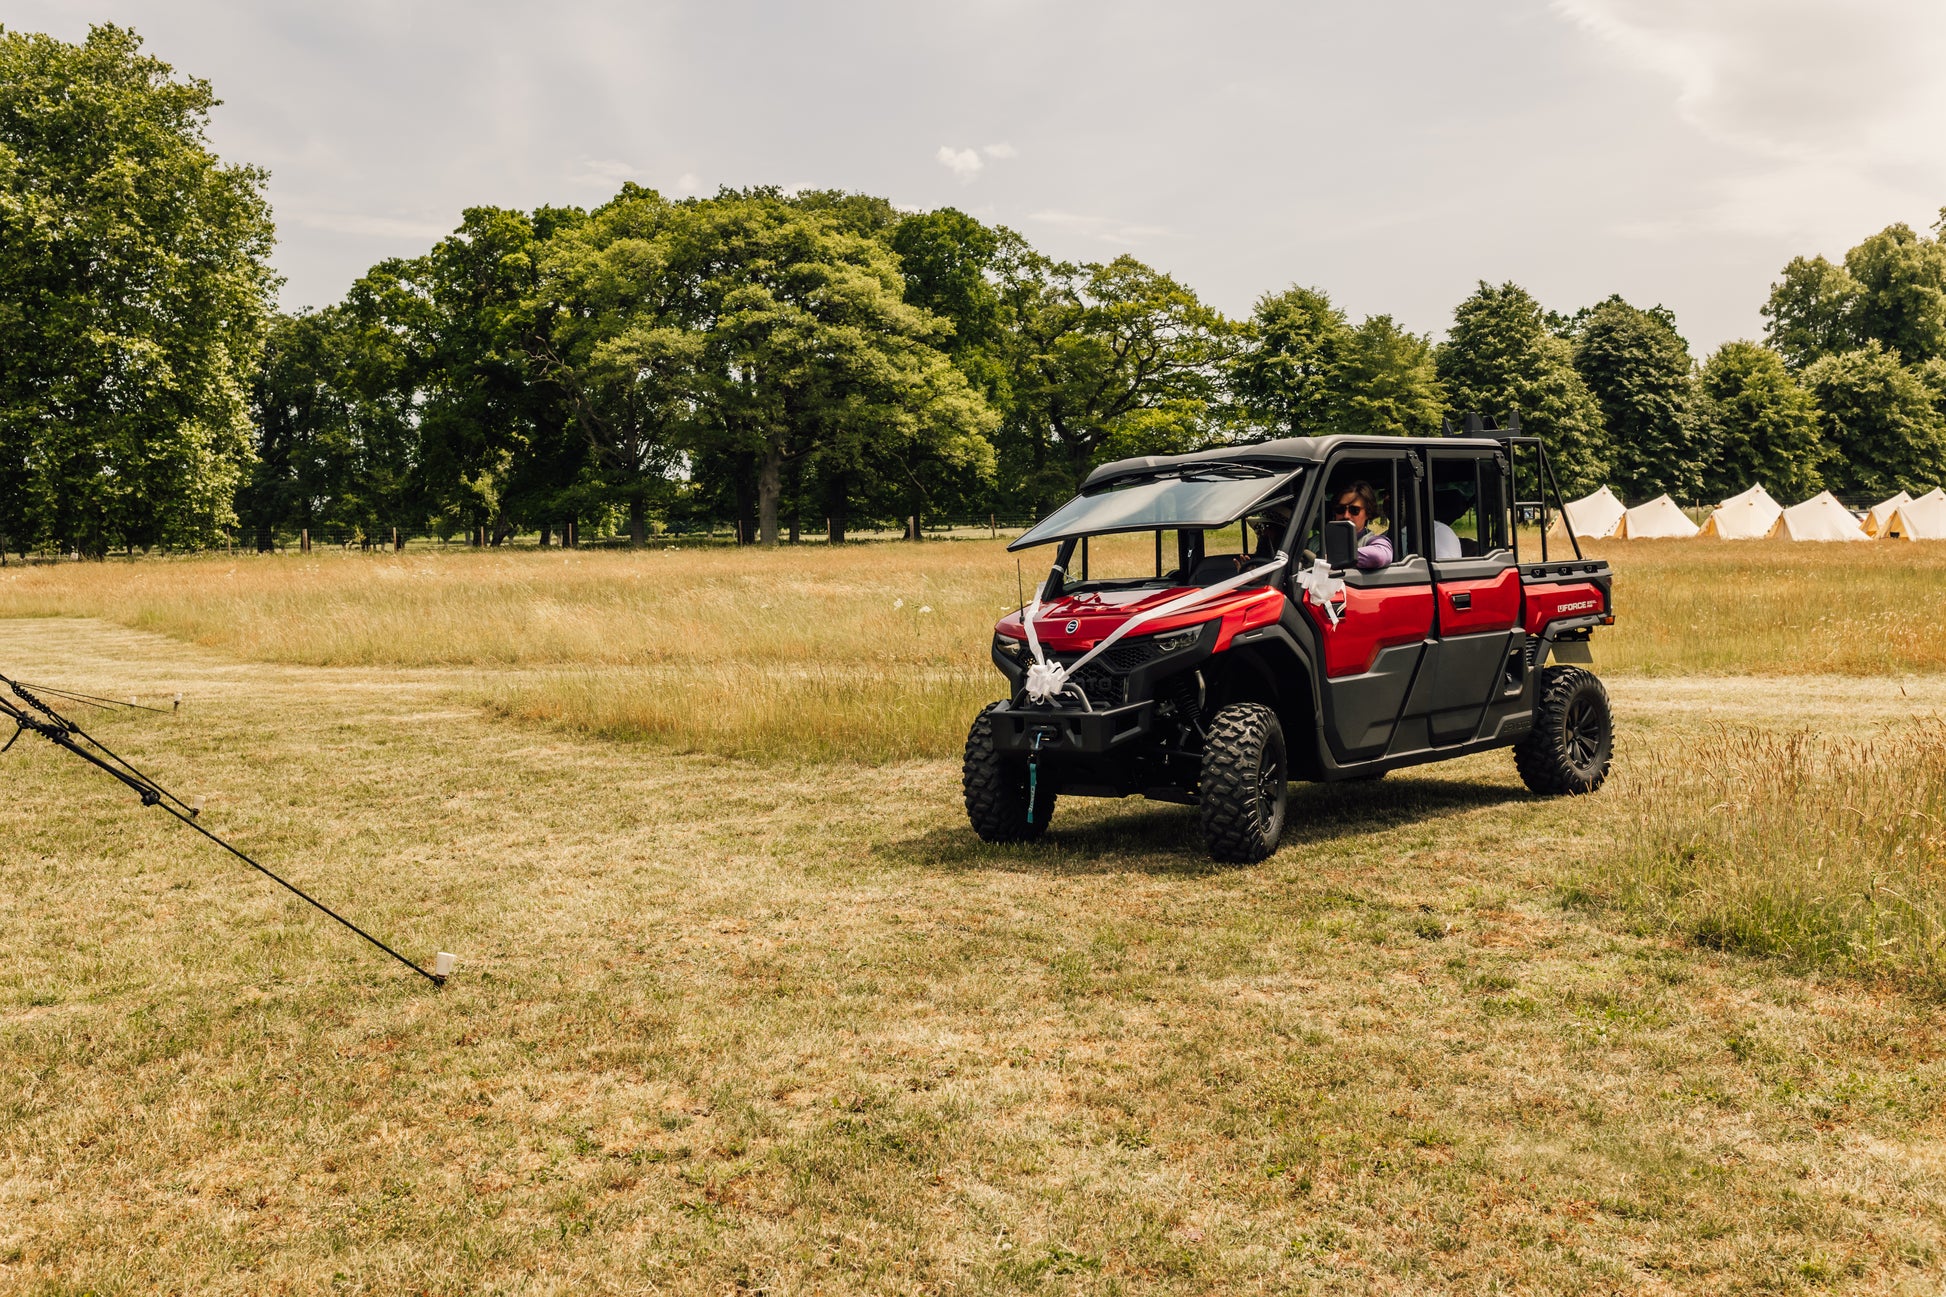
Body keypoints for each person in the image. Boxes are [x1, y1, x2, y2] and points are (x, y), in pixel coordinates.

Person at [1331, 481, 1392, 570]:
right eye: (1340, 509)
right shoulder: (1318, 541)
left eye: (1354, 510)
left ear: (1368, 513)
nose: (1346, 515)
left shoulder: (1372, 541)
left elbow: (1379, 557)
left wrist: (1334, 558)